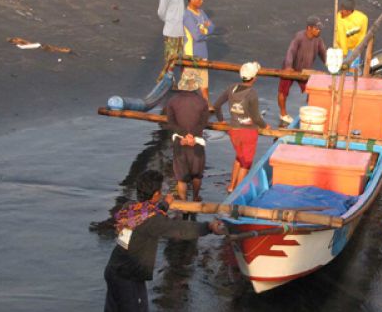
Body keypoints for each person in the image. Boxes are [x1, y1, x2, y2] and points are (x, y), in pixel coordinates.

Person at [103, 170, 224, 312]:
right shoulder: (152, 221)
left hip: (113, 270)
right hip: (130, 279)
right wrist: (208, 227)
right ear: (155, 195)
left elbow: (150, 212)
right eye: (160, 191)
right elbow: (180, 229)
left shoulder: (130, 208)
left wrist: (165, 205)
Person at [213, 62, 270, 193]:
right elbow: (256, 117)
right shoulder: (252, 93)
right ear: (254, 78)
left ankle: (231, 186)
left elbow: (216, 105)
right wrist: (265, 125)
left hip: (233, 130)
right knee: (246, 163)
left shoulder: (231, 88)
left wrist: (221, 120)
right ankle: (237, 192)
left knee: (239, 157)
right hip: (248, 132)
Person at [164, 74, 209, 202]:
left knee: (181, 177)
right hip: (196, 142)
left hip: (180, 142)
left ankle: (183, 202)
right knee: (197, 175)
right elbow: (203, 123)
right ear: (194, 86)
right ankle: (195, 198)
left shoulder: (172, 101)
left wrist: (184, 134)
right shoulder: (202, 102)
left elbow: (171, 122)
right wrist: (192, 135)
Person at [278, 16, 327, 124]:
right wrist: (288, 67)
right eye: (316, 29)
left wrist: (330, 64)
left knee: (311, 92)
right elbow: (290, 52)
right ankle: (283, 114)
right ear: (309, 28)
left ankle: (309, 112)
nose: (319, 31)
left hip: (304, 71)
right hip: (290, 68)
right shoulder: (299, 37)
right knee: (283, 92)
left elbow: (324, 54)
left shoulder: (318, 40)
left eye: (319, 29)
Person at [181, 0, 215, 106]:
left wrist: (204, 29)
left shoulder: (201, 12)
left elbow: (212, 27)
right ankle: (184, 109)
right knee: (188, 88)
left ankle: (206, 107)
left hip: (203, 54)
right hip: (191, 56)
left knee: (204, 86)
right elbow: (197, 36)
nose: (202, 1)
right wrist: (205, 30)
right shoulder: (187, 15)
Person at [158, 0, 190, 78]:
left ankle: (183, 85)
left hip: (181, 33)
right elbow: (161, 12)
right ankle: (162, 83)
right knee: (170, 63)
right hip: (171, 33)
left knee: (183, 62)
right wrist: (171, 21)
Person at [335, 0, 368, 67]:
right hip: (341, 49)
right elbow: (341, 36)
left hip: (354, 49)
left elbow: (362, 35)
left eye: (343, 10)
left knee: (352, 71)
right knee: (339, 70)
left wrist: (356, 49)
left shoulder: (363, 18)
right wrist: (344, 52)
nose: (341, 11)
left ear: (349, 11)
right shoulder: (339, 18)